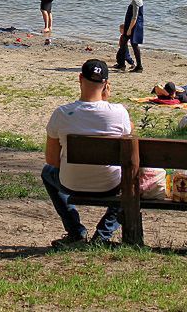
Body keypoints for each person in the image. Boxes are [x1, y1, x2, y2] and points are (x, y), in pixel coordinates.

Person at [42, 59, 131, 247]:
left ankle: (75, 231)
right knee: (132, 181)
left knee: (47, 172)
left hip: (70, 183)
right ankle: (103, 234)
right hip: (110, 184)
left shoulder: (61, 113)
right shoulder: (119, 112)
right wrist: (105, 103)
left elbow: (52, 160)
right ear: (106, 84)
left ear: (80, 78)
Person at [123, 0, 145, 73]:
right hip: (135, 25)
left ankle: (138, 66)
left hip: (133, 26)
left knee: (132, 44)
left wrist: (129, 29)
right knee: (125, 43)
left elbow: (134, 17)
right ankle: (123, 63)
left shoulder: (136, 1)